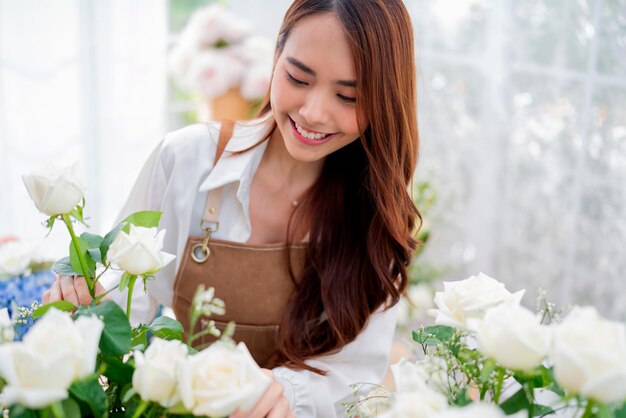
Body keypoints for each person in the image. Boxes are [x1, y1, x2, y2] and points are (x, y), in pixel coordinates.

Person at [43, 0, 421, 416]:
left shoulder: (374, 215)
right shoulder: (188, 161)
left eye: (348, 96)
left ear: (385, 100)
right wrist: (83, 304)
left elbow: (357, 380)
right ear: (275, 57)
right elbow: (122, 307)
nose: (314, 113)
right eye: (298, 77)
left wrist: (281, 390)